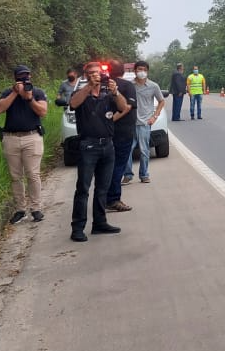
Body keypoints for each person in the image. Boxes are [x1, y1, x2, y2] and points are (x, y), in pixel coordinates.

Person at [68, 61, 128, 242]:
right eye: (92, 73)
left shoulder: (107, 93)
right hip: (88, 146)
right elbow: (73, 103)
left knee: (103, 188)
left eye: (99, 73)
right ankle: (77, 227)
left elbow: (123, 107)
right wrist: (89, 87)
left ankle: (100, 223)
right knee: (83, 189)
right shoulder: (81, 93)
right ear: (86, 75)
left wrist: (115, 92)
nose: (97, 76)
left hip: (108, 145)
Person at [0, 64, 48, 224]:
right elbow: (0, 109)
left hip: (31, 137)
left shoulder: (37, 92)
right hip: (11, 137)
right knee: (15, 176)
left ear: (30, 76)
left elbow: (43, 112)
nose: (23, 79)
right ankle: (20, 209)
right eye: (20, 77)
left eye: (26, 76)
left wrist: (29, 98)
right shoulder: (7, 92)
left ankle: (36, 208)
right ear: (14, 78)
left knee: (33, 175)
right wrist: (14, 92)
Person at [105, 59, 137, 213]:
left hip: (104, 134)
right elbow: (127, 108)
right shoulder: (127, 86)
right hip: (122, 133)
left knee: (107, 168)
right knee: (118, 166)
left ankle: (105, 198)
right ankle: (113, 199)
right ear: (123, 71)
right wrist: (110, 122)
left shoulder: (101, 86)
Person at [132, 60, 166, 183]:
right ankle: (127, 175)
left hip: (145, 123)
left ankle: (144, 174)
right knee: (127, 150)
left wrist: (154, 116)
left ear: (147, 71)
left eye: (144, 70)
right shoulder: (129, 86)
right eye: (139, 69)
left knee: (144, 150)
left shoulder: (153, 86)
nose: (142, 72)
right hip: (130, 124)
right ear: (135, 71)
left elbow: (162, 101)